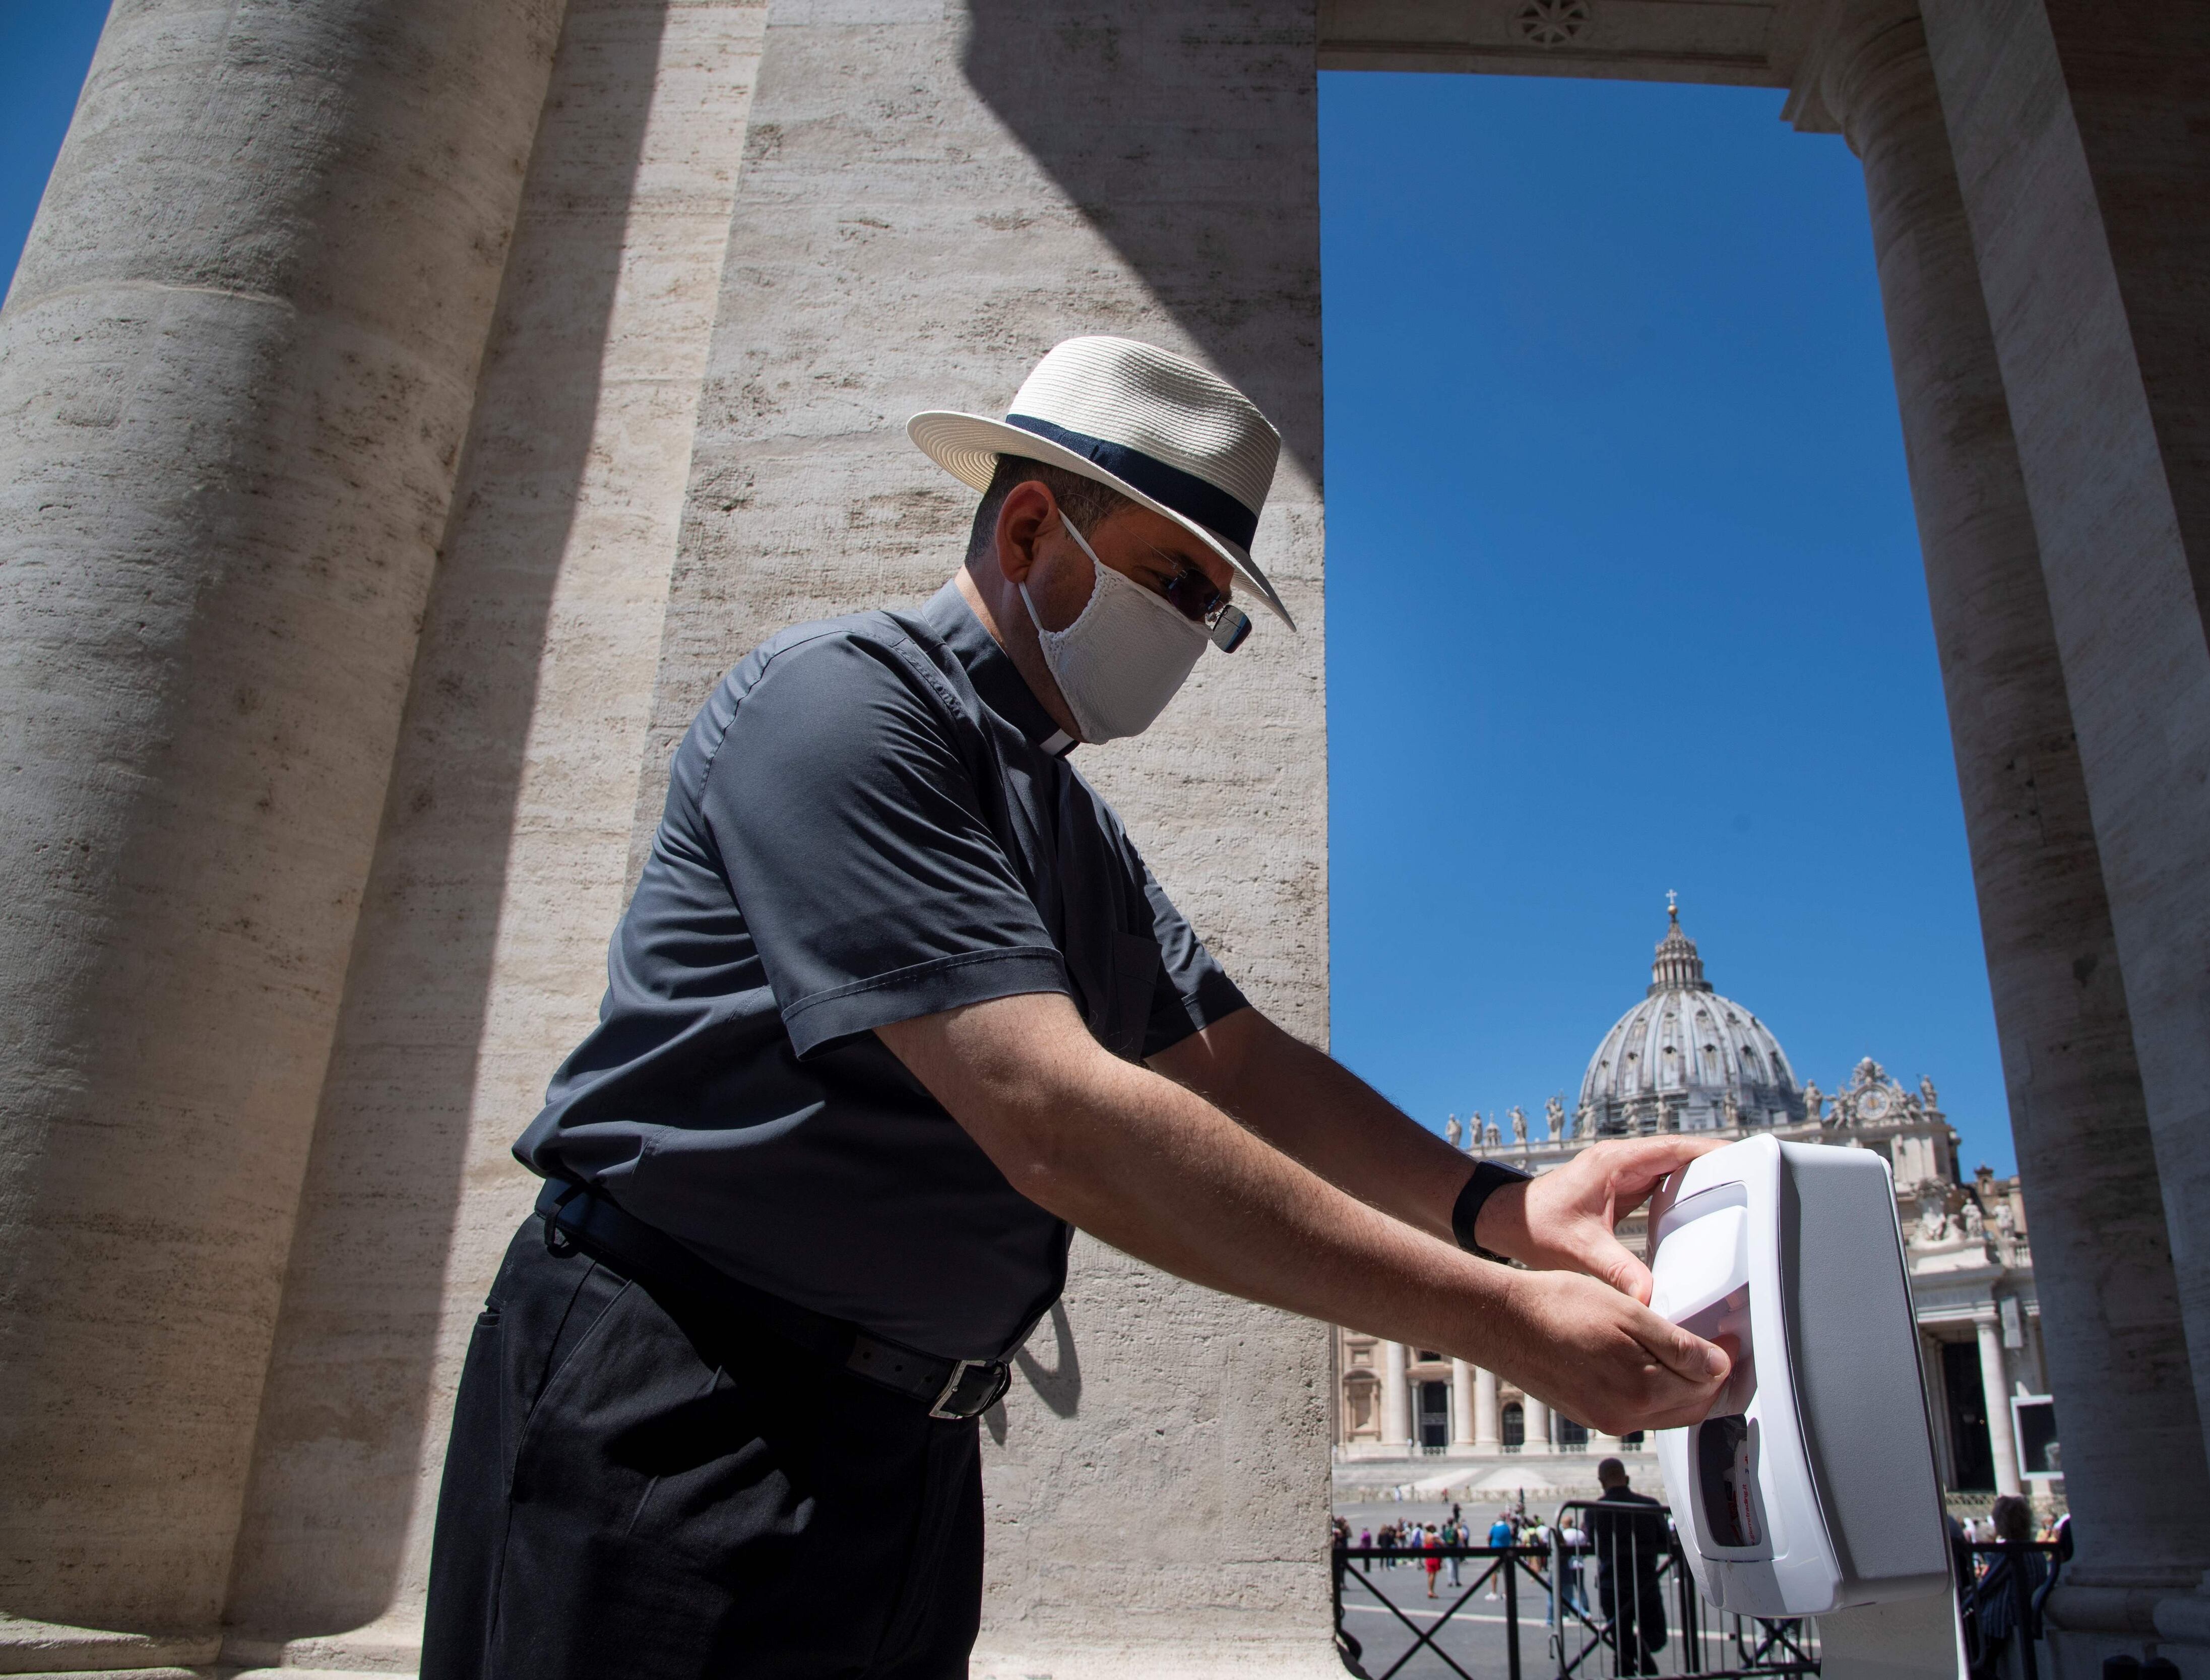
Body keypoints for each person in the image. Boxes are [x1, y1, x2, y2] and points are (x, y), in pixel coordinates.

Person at [416, 336, 1733, 1680]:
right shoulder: (839, 705)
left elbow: (1239, 1061)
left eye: (1213, 609)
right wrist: (1495, 1315)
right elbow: (1055, 1114)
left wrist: (1506, 1207)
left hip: (904, 1447)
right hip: (686, 1399)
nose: (1194, 637)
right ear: (1032, 528)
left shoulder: (1064, 819)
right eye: (1176, 583)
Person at [1585, 1458, 1670, 1677]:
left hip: (1611, 1583)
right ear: (1628, 1478)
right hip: (1645, 1581)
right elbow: (1666, 1540)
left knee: (1621, 1646)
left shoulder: (1593, 1510)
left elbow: (1592, 1543)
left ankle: (1633, 1659)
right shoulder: (1650, 1505)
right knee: (1655, 1637)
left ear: (1601, 1482)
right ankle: (1643, 1654)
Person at [1964, 1494, 2045, 1680]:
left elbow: (1987, 1586)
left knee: (1976, 1663)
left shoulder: (2008, 1553)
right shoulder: (2037, 1551)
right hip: (2024, 1614)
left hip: (2001, 1620)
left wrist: (1969, 1596)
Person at [1556, 1513, 1591, 1618]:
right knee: (1581, 1589)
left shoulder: (1564, 1534)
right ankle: (1587, 1610)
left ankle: (1566, 1613)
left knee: (1567, 1592)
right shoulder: (1580, 1533)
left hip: (1569, 1565)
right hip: (1580, 1564)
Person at [1486, 1510, 1516, 1599]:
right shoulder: (1507, 1528)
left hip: (1495, 1551)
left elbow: (1489, 1538)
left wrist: (1489, 1545)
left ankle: (1494, 1592)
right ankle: (1507, 1593)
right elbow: (1511, 1537)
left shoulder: (1494, 1527)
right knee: (1507, 1573)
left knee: (1493, 1572)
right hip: (1506, 1552)